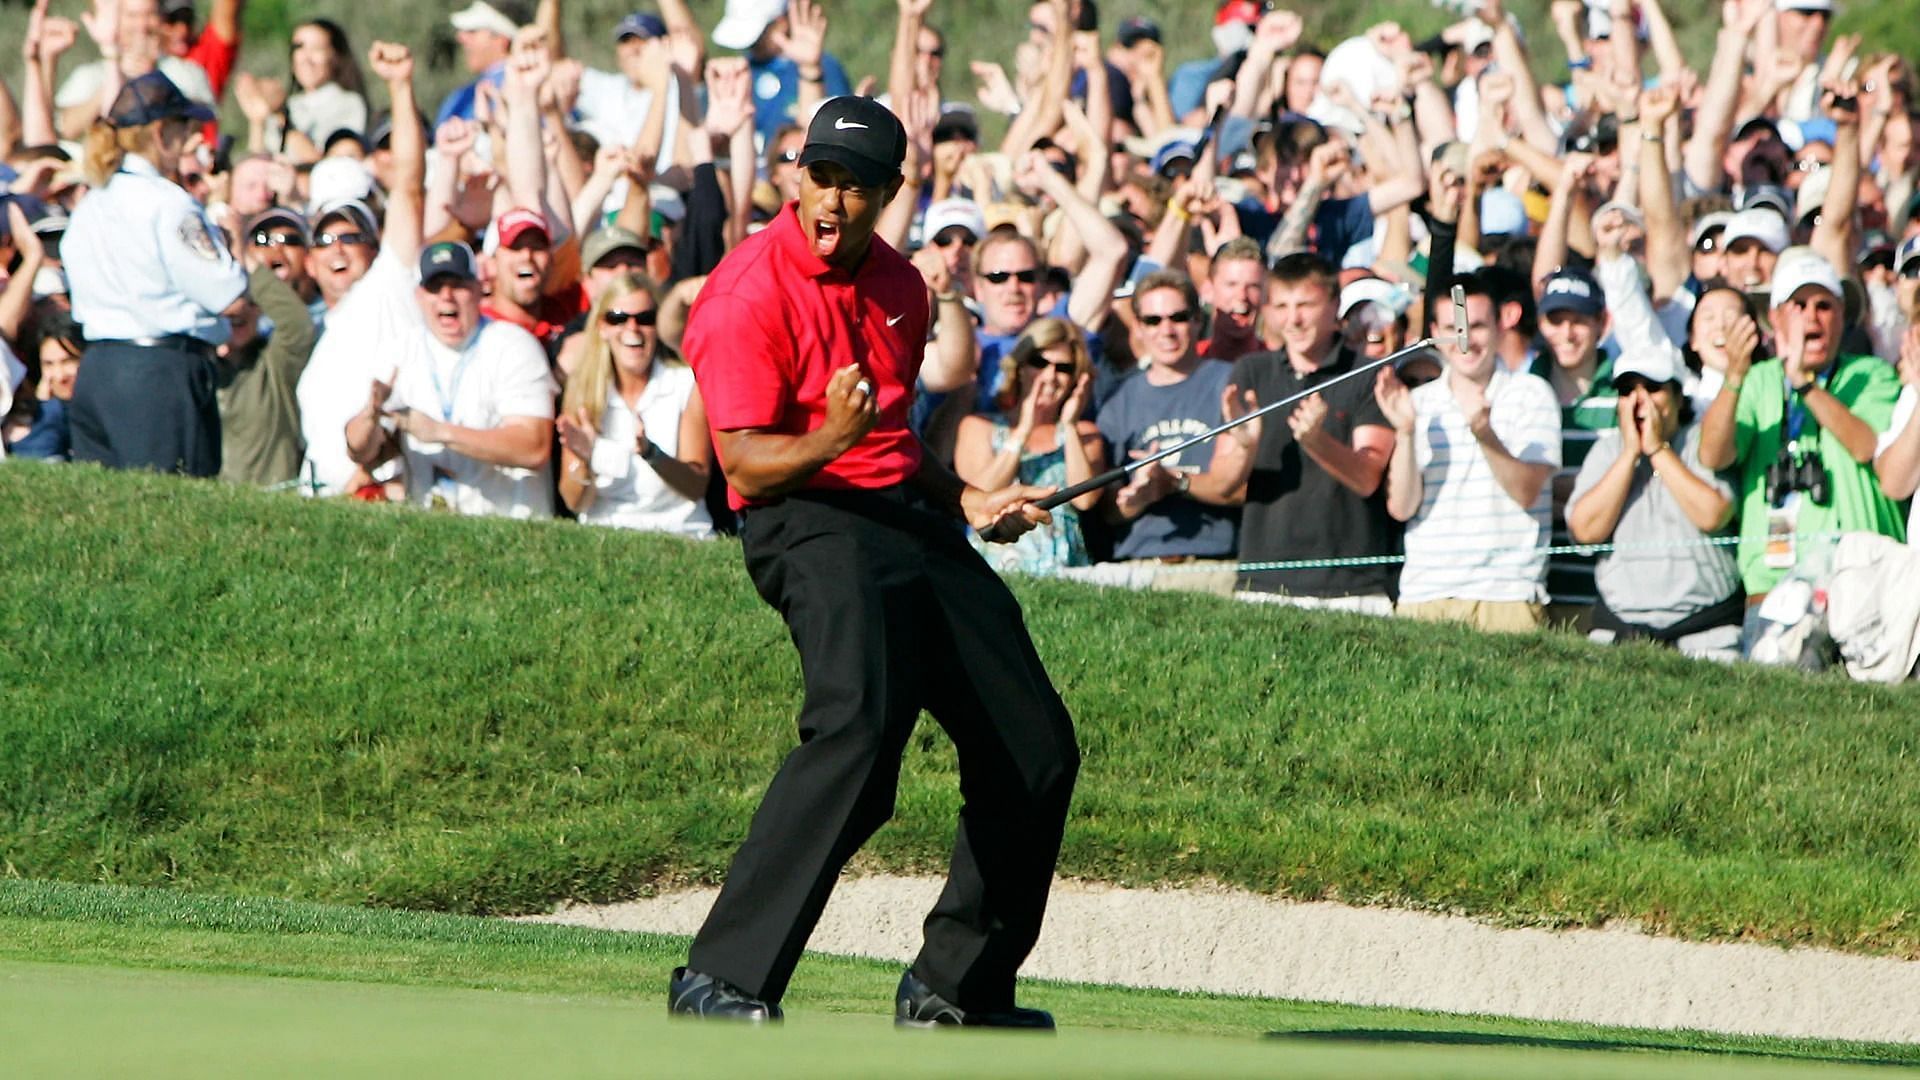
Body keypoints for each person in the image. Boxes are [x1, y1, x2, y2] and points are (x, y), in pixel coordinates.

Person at [671, 95, 1075, 1029]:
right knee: (860, 728)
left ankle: (955, 987)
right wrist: (832, 435)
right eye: (823, 176)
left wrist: (966, 500)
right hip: (799, 516)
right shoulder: (744, 294)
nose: (835, 200)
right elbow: (744, 465)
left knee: (1034, 744)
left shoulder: (903, 288)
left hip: (901, 516)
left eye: (858, 186)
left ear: (891, 193)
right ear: (796, 175)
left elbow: (892, 439)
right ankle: (720, 977)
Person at [1698, 248, 1906, 646]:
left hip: (1864, 583)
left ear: (1842, 317)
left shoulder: (1871, 373)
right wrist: (1734, 379)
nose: (1813, 316)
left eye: (1825, 305)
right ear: (1775, 318)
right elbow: (1713, 455)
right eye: (1799, 304)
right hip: (1774, 590)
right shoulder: (1756, 379)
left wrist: (1805, 385)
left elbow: (1866, 446)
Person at [63, 71, 249, 476]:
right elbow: (229, 294)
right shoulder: (169, 204)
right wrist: (231, 237)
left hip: (97, 370)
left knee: (106, 517)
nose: (190, 140)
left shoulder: (91, 204)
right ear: (161, 133)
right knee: (175, 518)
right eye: (185, 129)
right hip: (159, 375)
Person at [1193, 253, 1399, 612]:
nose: (1293, 319)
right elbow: (1223, 483)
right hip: (1265, 583)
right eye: (1282, 306)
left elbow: (1368, 477)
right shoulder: (1251, 372)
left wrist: (1318, 441)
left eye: (1306, 305)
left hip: (1353, 587)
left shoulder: (1369, 374)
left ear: (1334, 305)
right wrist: (1244, 448)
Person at [1376, 277, 1562, 632]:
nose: (1465, 341)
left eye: (1475, 326)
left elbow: (1526, 491)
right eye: (1452, 328)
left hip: (1506, 595)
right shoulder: (1418, 403)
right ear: (1434, 331)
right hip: (1425, 593)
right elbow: (1401, 507)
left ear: (1498, 325)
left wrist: (1484, 434)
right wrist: (1405, 430)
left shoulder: (1530, 394)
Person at [343, 240, 556, 518]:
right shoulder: (400, 349)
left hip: (511, 526)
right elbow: (359, 450)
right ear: (419, 296)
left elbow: (534, 447)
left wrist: (440, 432)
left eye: (457, 285)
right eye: (434, 287)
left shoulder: (513, 346)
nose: (446, 297)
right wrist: (369, 417)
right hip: (430, 531)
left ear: (479, 289)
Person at [1567, 348, 1743, 659]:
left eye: (1652, 389)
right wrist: (1630, 455)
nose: (1639, 401)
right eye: (1627, 391)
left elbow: (1713, 514)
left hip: (1706, 636)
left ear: (1678, 397)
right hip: (1619, 635)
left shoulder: (1703, 443)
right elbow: (1584, 530)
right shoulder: (1607, 453)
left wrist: (1658, 450)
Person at [1091, 270, 1239, 592]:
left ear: (1199, 321)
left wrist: (1174, 481)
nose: (1166, 331)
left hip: (1217, 561)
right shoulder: (1118, 402)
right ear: (1139, 329)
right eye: (1153, 321)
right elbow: (1108, 511)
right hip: (1138, 567)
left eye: (1178, 317)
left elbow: (1248, 488)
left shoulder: (1229, 383)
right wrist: (1140, 497)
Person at [555, 273, 714, 536]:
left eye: (645, 318)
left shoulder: (685, 383)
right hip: (604, 535)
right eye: (618, 318)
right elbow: (575, 502)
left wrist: (653, 454)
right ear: (602, 328)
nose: (632, 328)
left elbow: (696, 486)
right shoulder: (583, 390)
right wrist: (585, 459)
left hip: (680, 531)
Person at [953, 316, 1105, 575]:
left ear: (1075, 379)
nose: (1050, 376)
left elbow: (1086, 500)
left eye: (1063, 368)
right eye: (1039, 363)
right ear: (1021, 367)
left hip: (1067, 569)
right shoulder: (978, 427)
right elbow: (980, 495)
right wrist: (1022, 431)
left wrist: (1068, 425)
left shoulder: (1084, 434)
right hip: (994, 566)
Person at [216, 263, 317, 487]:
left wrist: (243, 262)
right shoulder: (194, 367)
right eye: (225, 302)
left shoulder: (274, 363)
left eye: (249, 301)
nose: (238, 310)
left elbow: (298, 327)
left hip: (271, 496)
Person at [285, 19, 368, 148]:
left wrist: (281, 120)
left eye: (316, 49)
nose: (306, 58)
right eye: (299, 48)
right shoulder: (290, 105)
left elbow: (329, 161)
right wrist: (258, 119)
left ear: (335, 57)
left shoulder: (348, 104)